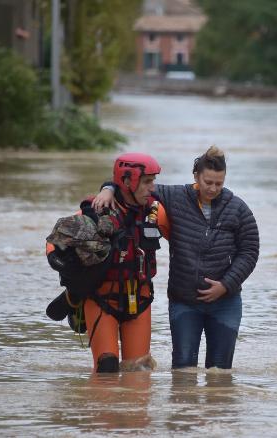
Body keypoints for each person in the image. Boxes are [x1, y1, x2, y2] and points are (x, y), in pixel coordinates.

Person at [93, 146, 260, 369]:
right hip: (184, 302)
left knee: (220, 373)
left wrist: (226, 285)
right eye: (207, 182)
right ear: (196, 177)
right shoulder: (174, 197)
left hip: (225, 303)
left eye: (218, 183)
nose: (212, 188)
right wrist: (107, 189)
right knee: (183, 371)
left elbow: (250, 252)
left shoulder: (239, 209)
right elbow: (134, 185)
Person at [46, 152, 167, 373]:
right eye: (147, 182)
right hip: (101, 299)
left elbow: (185, 240)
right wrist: (60, 263)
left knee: (139, 371)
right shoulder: (97, 210)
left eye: (153, 182)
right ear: (128, 181)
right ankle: (101, 407)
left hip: (139, 300)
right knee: (106, 368)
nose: (152, 188)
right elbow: (55, 241)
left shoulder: (155, 211)